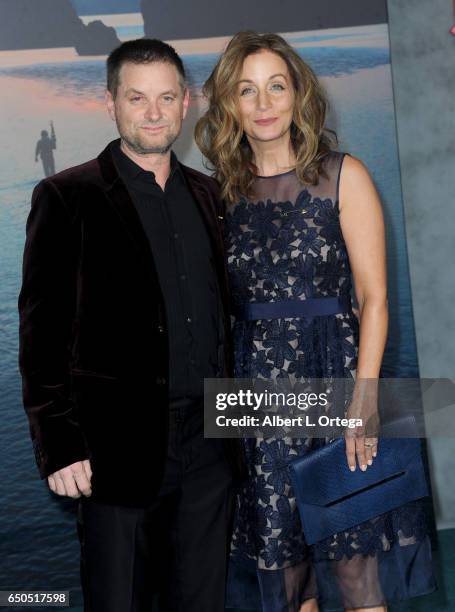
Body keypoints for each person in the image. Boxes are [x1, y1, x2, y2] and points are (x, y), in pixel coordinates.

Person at [195, 31, 436, 612]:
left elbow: (374, 299)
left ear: (298, 92)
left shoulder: (343, 175)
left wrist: (367, 398)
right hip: (259, 407)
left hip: (340, 385)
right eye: (246, 90)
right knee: (289, 579)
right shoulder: (218, 195)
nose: (264, 102)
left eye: (276, 85)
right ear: (229, 104)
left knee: (358, 576)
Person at [19, 38, 243, 612]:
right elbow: (41, 334)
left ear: (185, 103)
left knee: (202, 598)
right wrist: (60, 444)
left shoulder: (210, 195)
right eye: (136, 98)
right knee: (119, 599)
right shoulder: (66, 197)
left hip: (211, 442)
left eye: (165, 97)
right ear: (110, 103)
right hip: (114, 449)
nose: (152, 112)